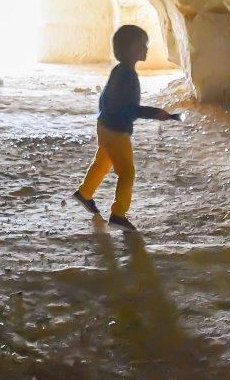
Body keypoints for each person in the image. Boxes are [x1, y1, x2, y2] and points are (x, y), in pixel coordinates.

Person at [72, 24, 180, 231]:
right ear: (132, 48)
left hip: (104, 125)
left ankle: (85, 193)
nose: (146, 49)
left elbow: (106, 99)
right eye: (143, 45)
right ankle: (118, 215)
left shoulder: (119, 71)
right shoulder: (128, 76)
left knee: (103, 161)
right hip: (116, 131)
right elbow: (128, 108)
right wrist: (155, 113)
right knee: (127, 173)